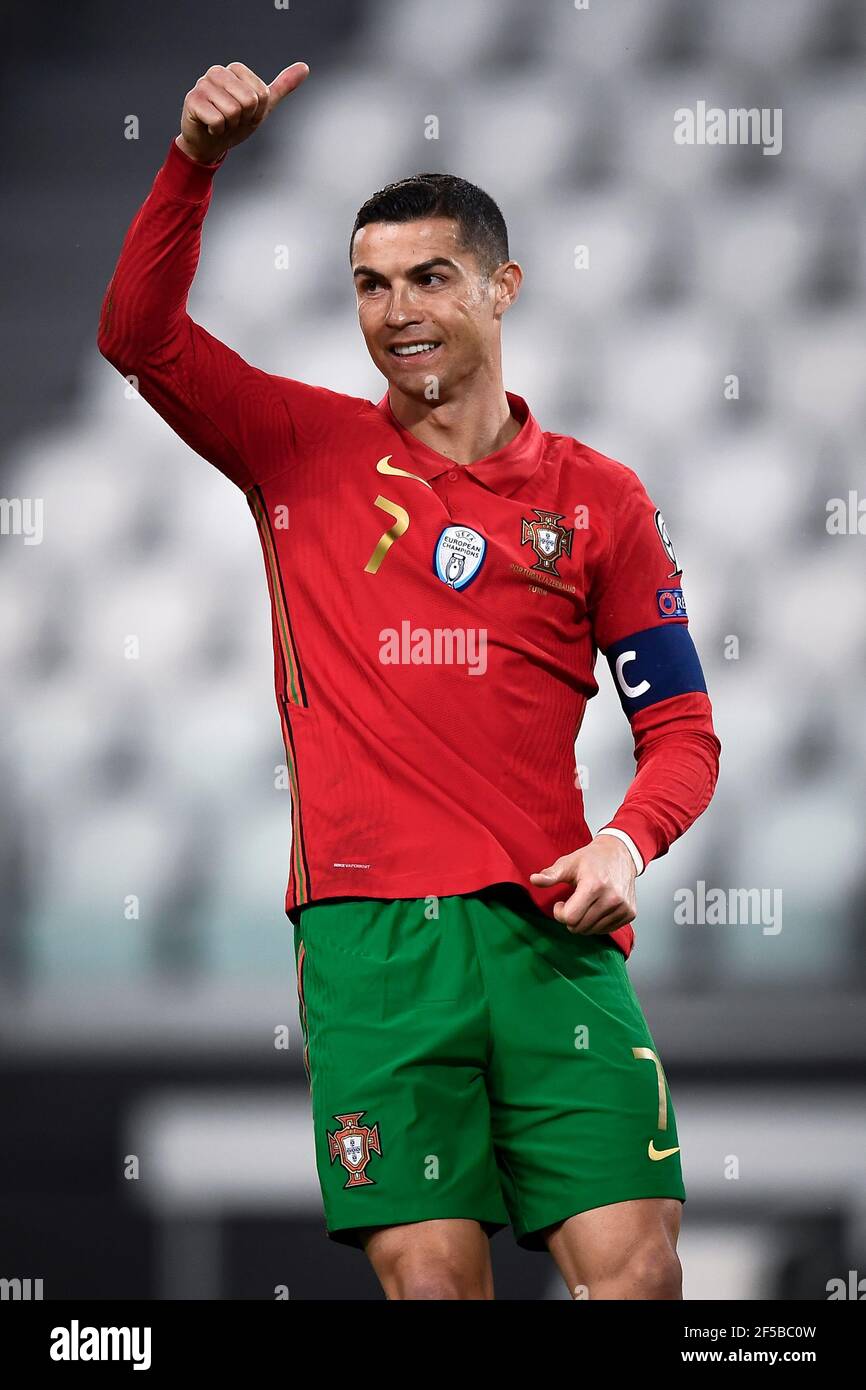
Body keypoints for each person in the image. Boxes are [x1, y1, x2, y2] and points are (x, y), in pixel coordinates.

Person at [97, 59, 721, 1300]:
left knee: (639, 1275)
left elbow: (683, 731)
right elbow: (136, 335)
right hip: (372, 943)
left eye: (429, 277)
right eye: (369, 286)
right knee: (434, 1288)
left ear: (503, 287)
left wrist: (625, 845)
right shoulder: (295, 447)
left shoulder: (600, 501)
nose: (396, 310)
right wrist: (194, 164)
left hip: (551, 935)